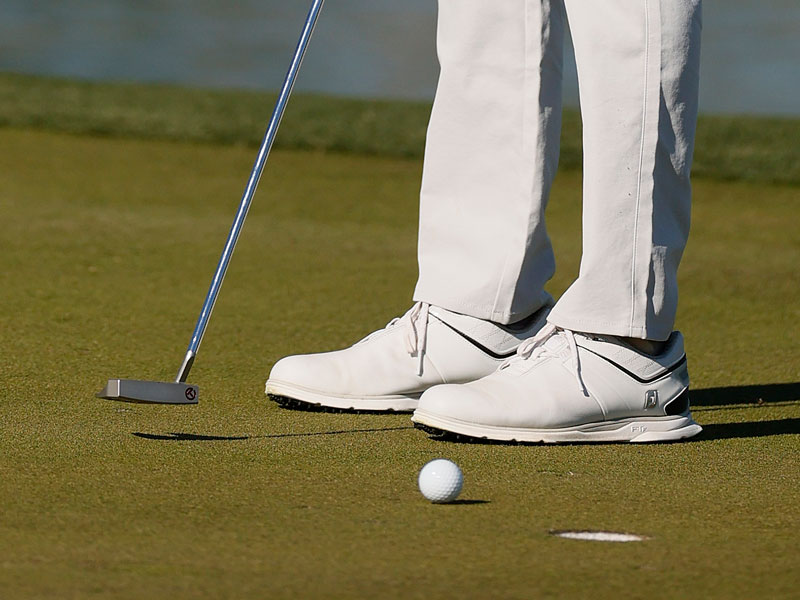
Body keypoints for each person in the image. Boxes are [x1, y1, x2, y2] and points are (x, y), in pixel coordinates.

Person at [266, 0, 704, 443]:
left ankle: (626, 343)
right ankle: (479, 318)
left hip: (629, 345)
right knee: (488, 12)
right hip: (479, 317)